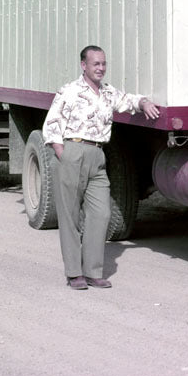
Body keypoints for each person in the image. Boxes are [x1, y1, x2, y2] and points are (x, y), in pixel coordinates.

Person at [42, 45, 160, 291]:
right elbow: (52, 125)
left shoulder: (107, 92)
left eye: (103, 63)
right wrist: (65, 155)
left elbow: (128, 101)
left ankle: (93, 272)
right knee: (70, 216)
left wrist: (144, 102)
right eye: (96, 64)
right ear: (83, 65)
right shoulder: (69, 91)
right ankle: (74, 273)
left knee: (101, 213)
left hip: (98, 155)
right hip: (73, 151)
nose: (101, 68)